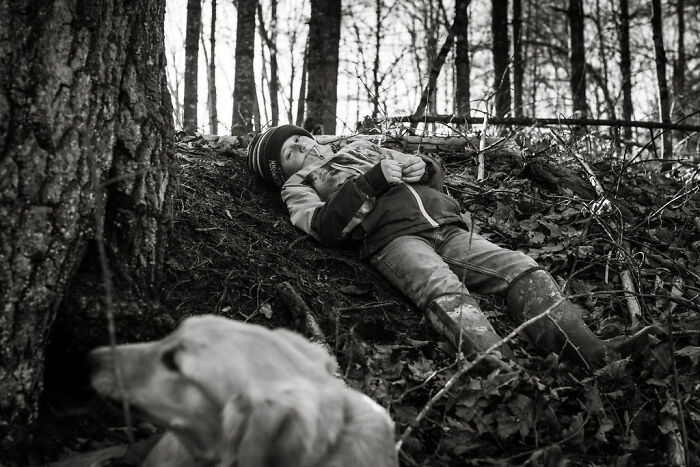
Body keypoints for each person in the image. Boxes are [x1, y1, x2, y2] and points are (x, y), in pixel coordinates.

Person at [247, 124, 659, 368]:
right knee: (441, 287)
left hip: (447, 227)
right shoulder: (298, 188)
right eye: (289, 154)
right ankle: (500, 369)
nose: (302, 148)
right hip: (394, 241)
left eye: (299, 140)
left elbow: (431, 178)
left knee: (517, 265)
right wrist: (370, 182)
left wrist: (423, 166)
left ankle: (591, 354)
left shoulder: (359, 146)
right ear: (282, 171)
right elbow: (322, 227)